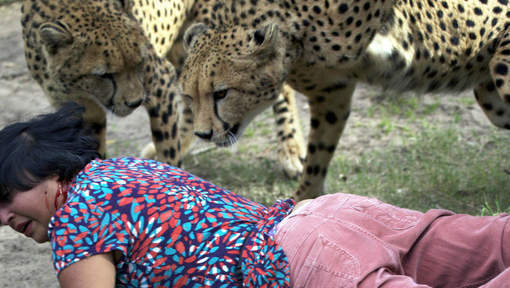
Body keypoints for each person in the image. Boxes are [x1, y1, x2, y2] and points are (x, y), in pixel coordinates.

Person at [0, 103, 508, 288]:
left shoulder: (74, 218)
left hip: (301, 263)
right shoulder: (124, 170)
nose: (3, 218)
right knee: (494, 243)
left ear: (45, 174)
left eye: (6, 197)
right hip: (325, 217)